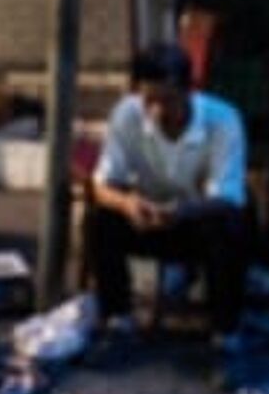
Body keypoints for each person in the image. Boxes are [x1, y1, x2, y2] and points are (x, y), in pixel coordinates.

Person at [83, 43, 250, 343]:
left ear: (189, 91)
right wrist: (127, 204)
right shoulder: (127, 114)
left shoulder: (223, 120)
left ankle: (225, 331)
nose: (158, 111)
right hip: (146, 216)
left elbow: (228, 197)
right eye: (149, 100)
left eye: (168, 100)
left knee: (230, 225)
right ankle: (118, 316)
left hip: (198, 220)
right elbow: (102, 183)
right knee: (100, 217)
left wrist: (181, 213)